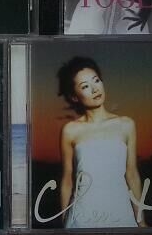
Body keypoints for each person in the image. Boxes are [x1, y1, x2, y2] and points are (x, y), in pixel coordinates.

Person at [57, 57, 145, 228]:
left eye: (96, 80)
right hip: (81, 219)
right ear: (74, 97)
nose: (95, 89)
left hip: (120, 214)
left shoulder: (126, 125)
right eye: (85, 86)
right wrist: (64, 223)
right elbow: (67, 179)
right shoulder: (70, 130)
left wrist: (141, 220)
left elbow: (132, 175)